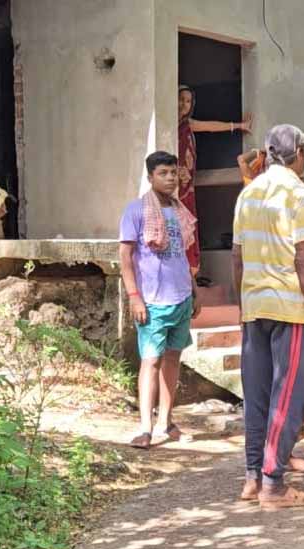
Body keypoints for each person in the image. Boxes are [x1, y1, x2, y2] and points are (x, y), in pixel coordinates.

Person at [232, 124, 304, 510]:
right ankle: (273, 484)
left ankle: (253, 476)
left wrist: (244, 307)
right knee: (289, 397)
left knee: (256, 396)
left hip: (255, 306)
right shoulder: (300, 195)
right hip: (289, 307)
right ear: (297, 155)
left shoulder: (248, 193)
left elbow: (237, 256)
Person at [120, 151, 200, 449]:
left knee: (173, 359)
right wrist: (134, 296)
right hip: (152, 301)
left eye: (173, 173)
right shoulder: (136, 211)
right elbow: (125, 257)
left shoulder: (180, 211)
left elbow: (182, 254)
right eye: (163, 173)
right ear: (151, 176)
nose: (170, 178)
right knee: (150, 361)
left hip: (180, 298)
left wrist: (193, 289)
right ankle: (145, 427)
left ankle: (167, 422)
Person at [178, 85, 252, 273]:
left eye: (188, 101)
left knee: (189, 226)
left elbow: (210, 126)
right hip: (174, 189)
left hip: (187, 187)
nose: (183, 105)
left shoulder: (188, 125)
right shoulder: (168, 126)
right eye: (180, 99)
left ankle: (191, 271)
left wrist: (238, 126)